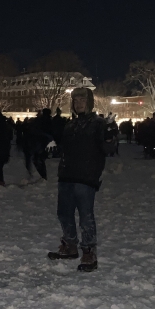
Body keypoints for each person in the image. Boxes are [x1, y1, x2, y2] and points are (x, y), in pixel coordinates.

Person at [48, 88, 115, 272]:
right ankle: (70, 245)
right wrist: (55, 149)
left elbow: (108, 149)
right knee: (64, 213)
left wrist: (110, 135)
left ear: (90, 102)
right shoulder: (70, 125)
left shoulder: (98, 123)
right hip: (67, 176)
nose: (78, 103)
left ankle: (88, 250)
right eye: (75, 100)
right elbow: (65, 148)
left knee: (86, 216)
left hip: (86, 177)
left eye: (82, 100)